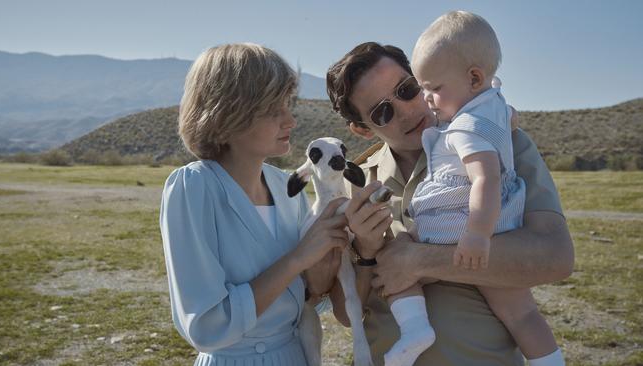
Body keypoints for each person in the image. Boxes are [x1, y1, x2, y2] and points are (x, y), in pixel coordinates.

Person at [322, 41, 574, 365]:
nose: (406, 110)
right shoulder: (355, 184)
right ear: (361, 129)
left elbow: (555, 257)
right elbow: (345, 314)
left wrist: (421, 260)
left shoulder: (497, 142)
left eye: (407, 89)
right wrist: (366, 254)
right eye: (382, 112)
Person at [159, 43, 349, 366]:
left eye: (288, 105)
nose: (290, 120)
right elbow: (207, 326)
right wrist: (298, 259)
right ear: (228, 113)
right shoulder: (193, 188)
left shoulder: (287, 187)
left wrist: (326, 266)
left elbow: (307, 299)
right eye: (274, 110)